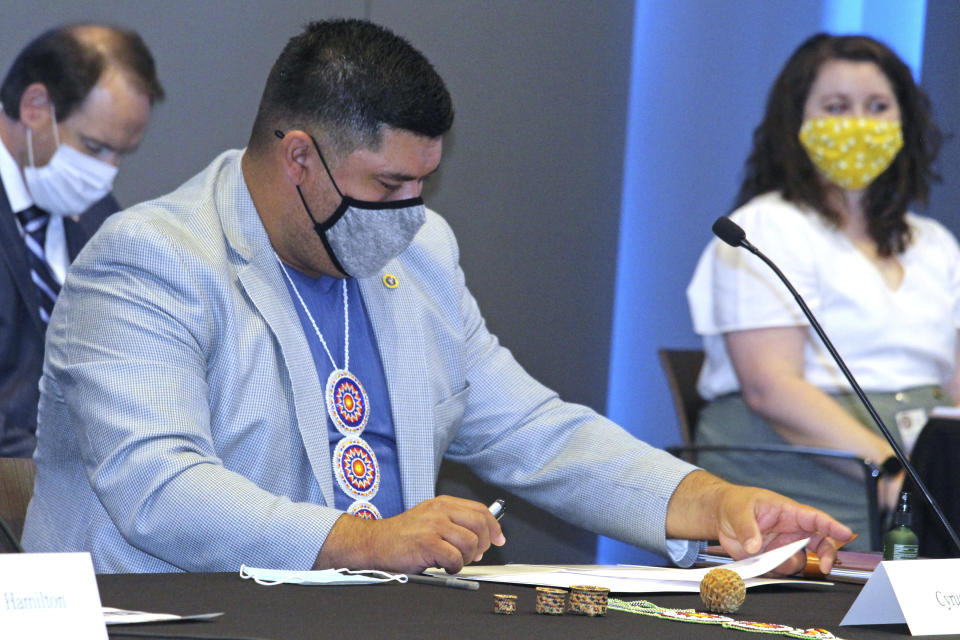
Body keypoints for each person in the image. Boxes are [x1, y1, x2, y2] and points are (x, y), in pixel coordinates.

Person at [23, 19, 851, 575]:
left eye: (423, 183)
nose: (408, 215)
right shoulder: (150, 260)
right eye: (388, 184)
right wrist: (366, 541)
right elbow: (159, 489)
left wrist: (710, 502)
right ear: (300, 158)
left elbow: (533, 431)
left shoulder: (420, 255)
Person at [687, 33, 957, 550]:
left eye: (878, 106)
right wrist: (893, 474)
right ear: (797, 125)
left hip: (923, 491)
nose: (859, 123)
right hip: (805, 495)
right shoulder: (763, 228)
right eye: (837, 107)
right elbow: (772, 388)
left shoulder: (936, 244)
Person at [0, 24, 164, 457]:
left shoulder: (100, 217)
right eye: (93, 147)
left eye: (119, 154)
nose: (107, 172)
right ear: (35, 106)